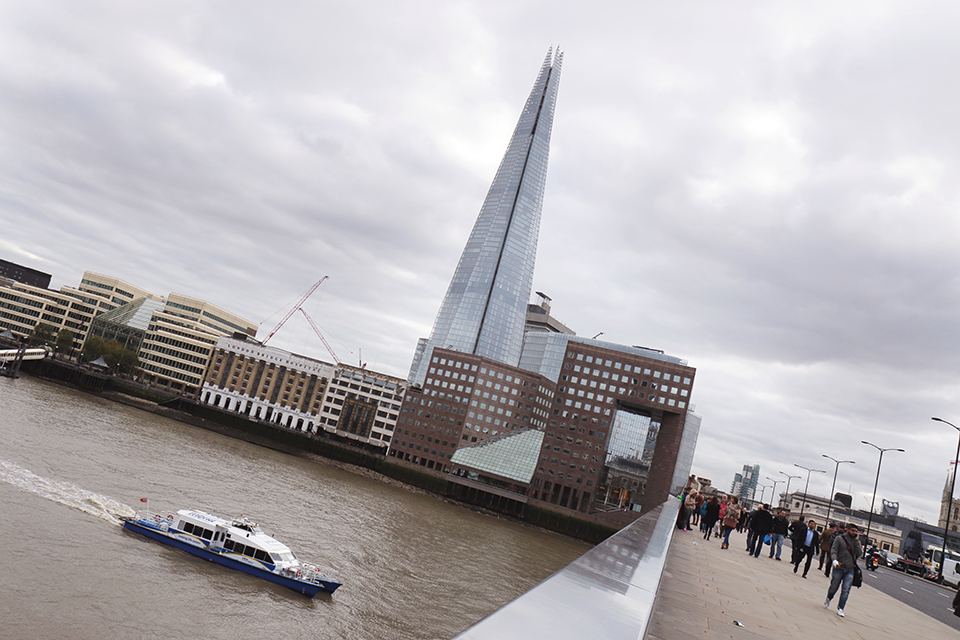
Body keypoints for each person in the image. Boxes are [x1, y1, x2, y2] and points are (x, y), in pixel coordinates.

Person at [824, 523, 862, 617]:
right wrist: (835, 561)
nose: (854, 533)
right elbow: (834, 550)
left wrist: (857, 542)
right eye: (853, 530)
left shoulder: (856, 542)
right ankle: (829, 598)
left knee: (846, 590)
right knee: (834, 587)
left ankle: (841, 608)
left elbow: (859, 553)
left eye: (856, 531)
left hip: (850, 569)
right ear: (847, 529)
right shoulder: (839, 539)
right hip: (839, 567)